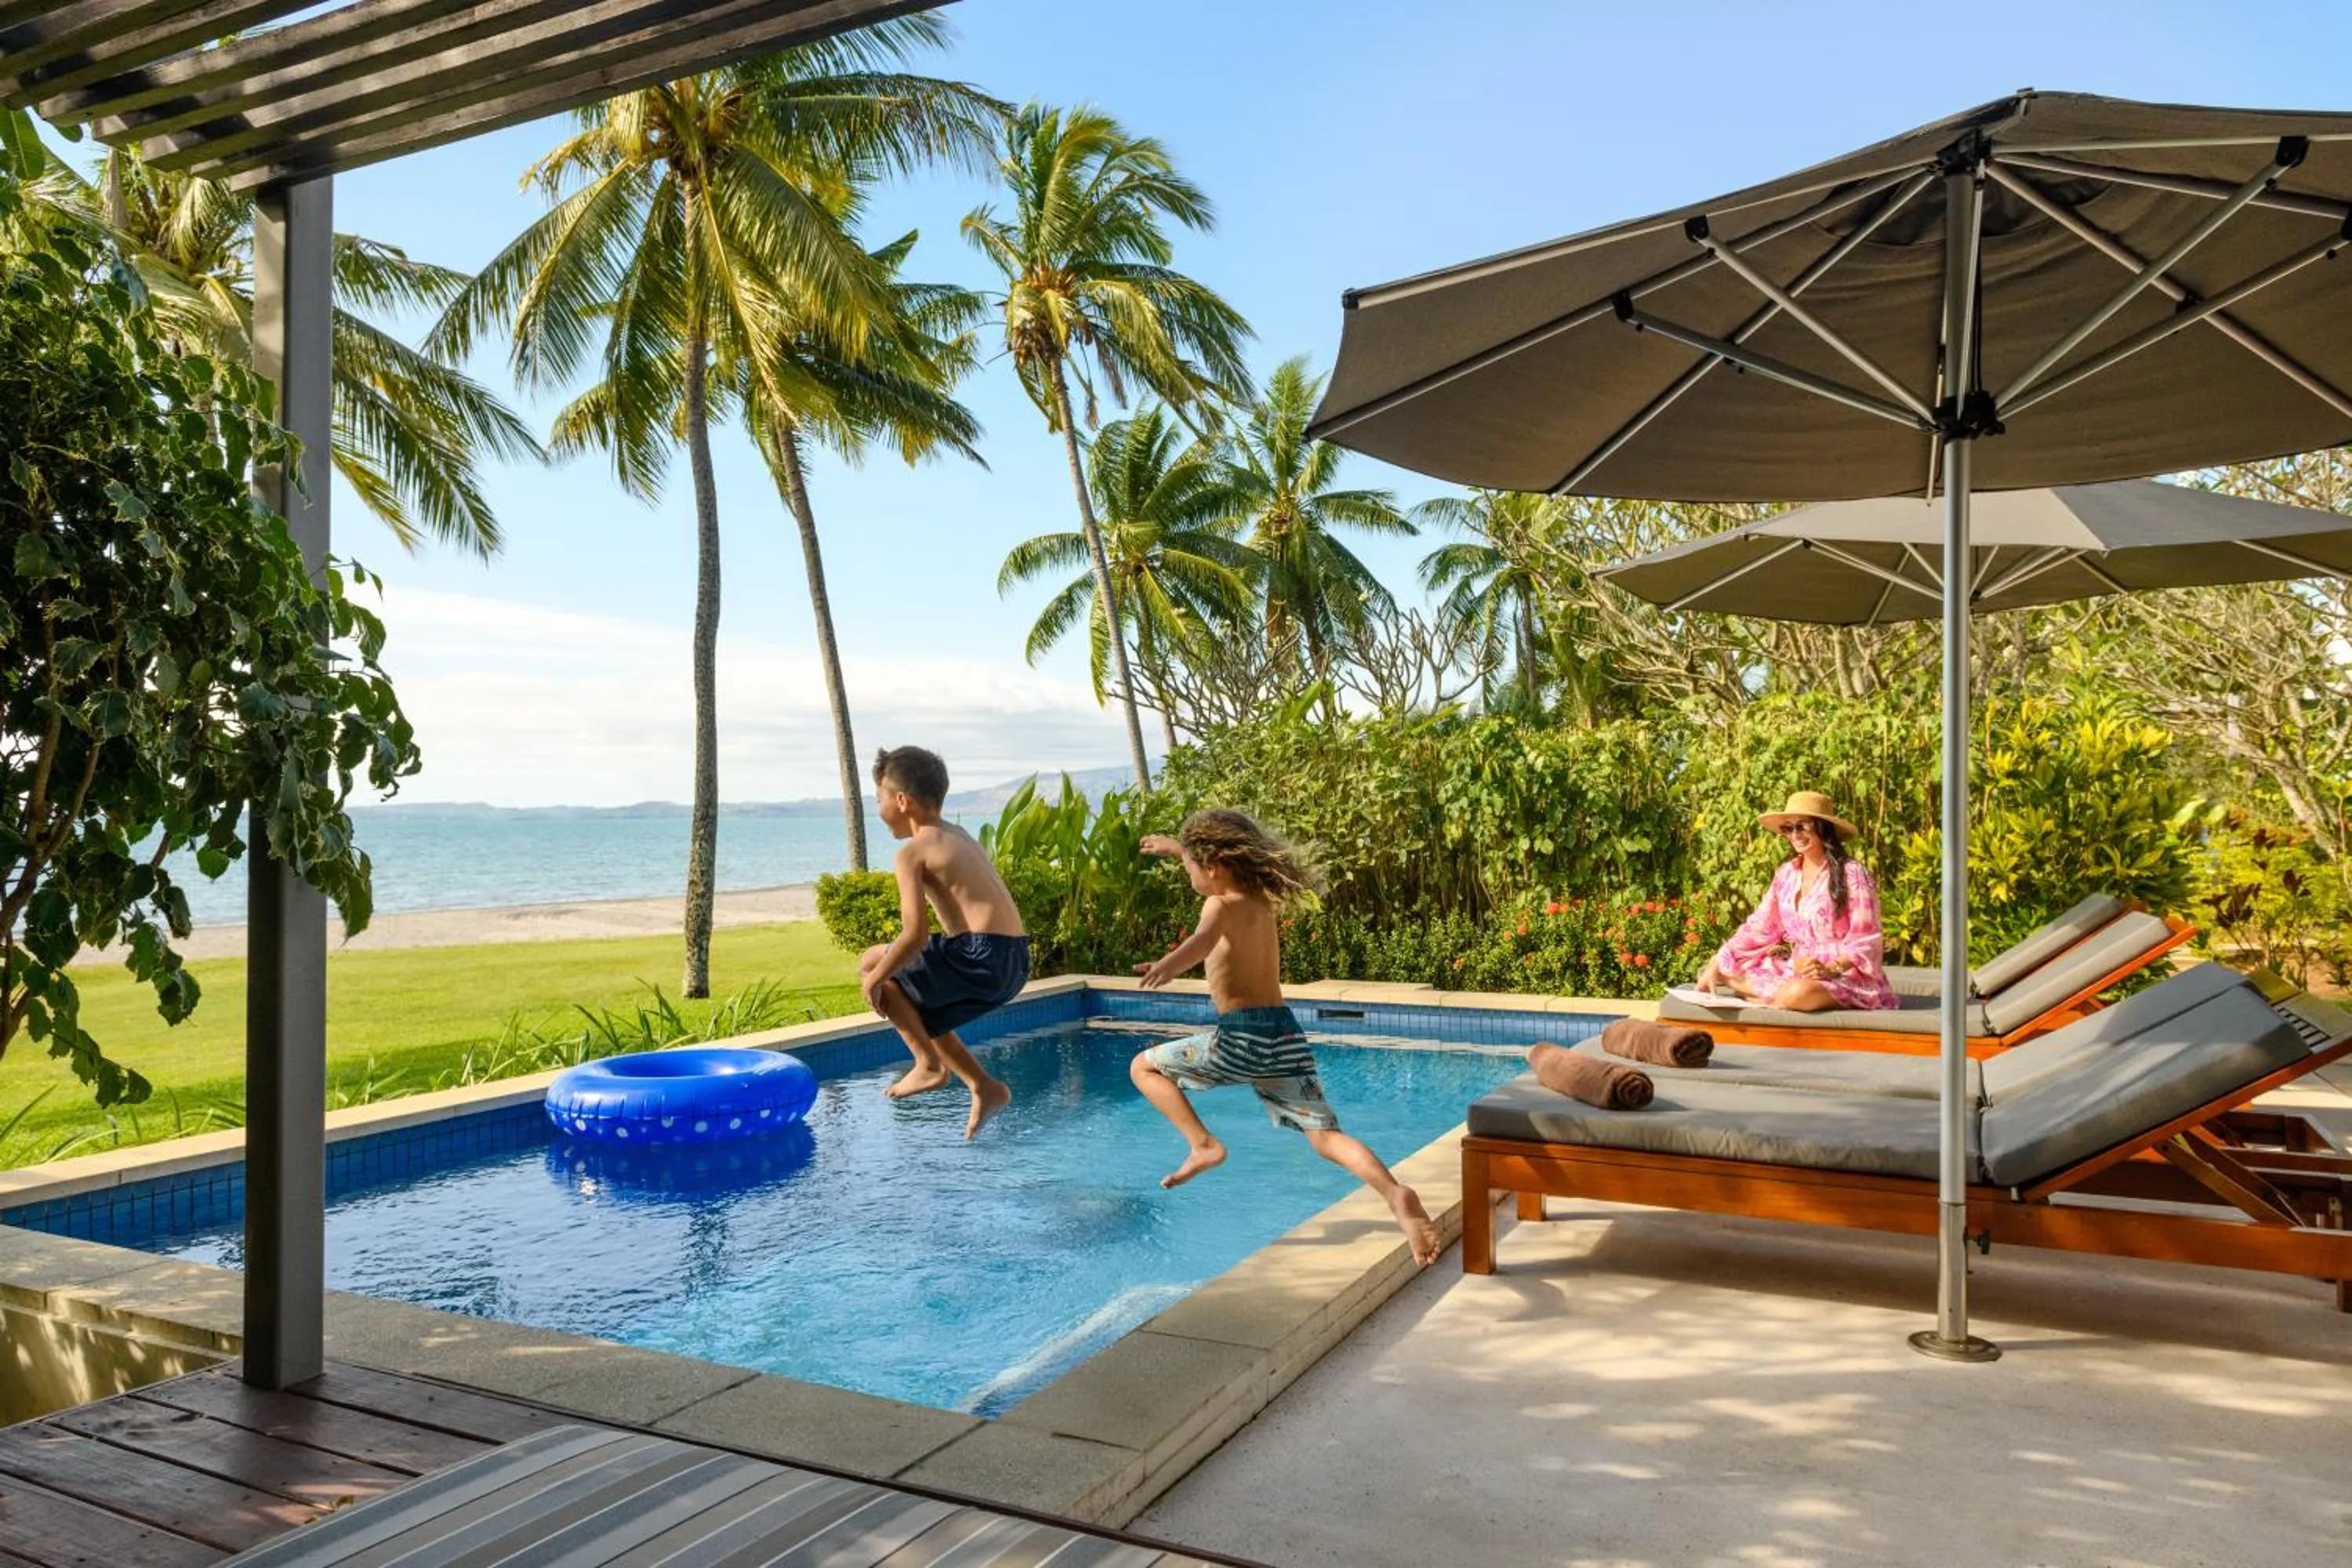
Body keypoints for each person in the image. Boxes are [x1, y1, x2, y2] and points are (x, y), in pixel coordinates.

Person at [1129, 808, 1441, 1268]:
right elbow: (1212, 875)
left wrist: (1168, 966)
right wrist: (1178, 849)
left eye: (1191, 866)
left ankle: (1203, 1145)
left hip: (1242, 1038)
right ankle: (1396, 1194)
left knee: (1144, 1066)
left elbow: (1200, 941)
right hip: (1284, 1035)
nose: (1189, 874)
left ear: (1212, 866)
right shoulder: (1258, 898)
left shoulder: (1217, 905)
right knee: (1324, 1136)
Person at [859, 746, 1029, 1138]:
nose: (879, 808)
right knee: (915, 1008)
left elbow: (914, 936)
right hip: (1014, 959)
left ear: (902, 801)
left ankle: (928, 1065)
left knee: (877, 970)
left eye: (880, 799)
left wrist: (874, 978)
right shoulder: (958, 835)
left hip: (981, 954)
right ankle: (982, 1085)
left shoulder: (912, 852)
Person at [1694, 789, 1900, 1013]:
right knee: (1727, 966)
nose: (1795, 835)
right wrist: (1718, 958)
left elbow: (1867, 938)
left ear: (1823, 828)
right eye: (1788, 828)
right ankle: (1776, 997)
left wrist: (1831, 968)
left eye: (1802, 826)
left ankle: (1768, 997)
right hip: (1798, 970)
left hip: (1846, 976)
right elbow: (1760, 927)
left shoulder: (1853, 874)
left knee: (1797, 993)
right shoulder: (1787, 874)